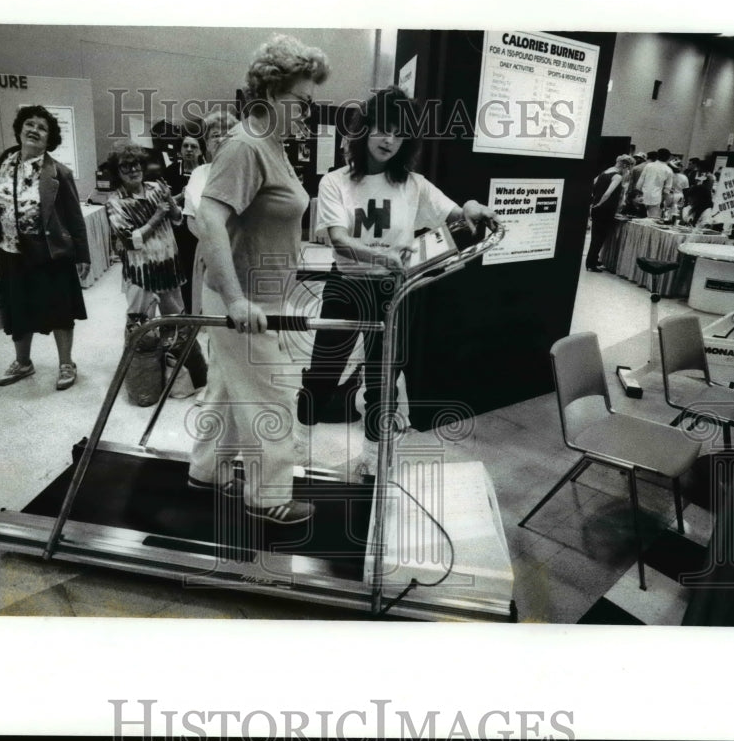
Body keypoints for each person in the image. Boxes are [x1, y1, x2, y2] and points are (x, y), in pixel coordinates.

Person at [300, 86, 500, 479]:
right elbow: (338, 240)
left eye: (397, 131)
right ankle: (292, 443)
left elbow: (456, 212)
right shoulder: (335, 182)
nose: (388, 139)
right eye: (380, 129)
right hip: (347, 287)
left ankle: (374, 461)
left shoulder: (414, 184)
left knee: (382, 381)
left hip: (394, 292)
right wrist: (384, 256)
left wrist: (473, 206)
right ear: (364, 131)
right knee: (323, 372)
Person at [188, 33, 329, 525]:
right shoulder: (246, 145)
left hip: (262, 294)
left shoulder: (273, 146)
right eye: (302, 103)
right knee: (275, 393)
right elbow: (210, 217)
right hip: (248, 302)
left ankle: (206, 471)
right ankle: (269, 497)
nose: (308, 115)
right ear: (270, 92)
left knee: (227, 388)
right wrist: (233, 299)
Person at [0, 105, 90, 391]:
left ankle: (66, 363)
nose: (34, 130)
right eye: (30, 124)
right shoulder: (0, 162)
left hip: (50, 253)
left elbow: (75, 218)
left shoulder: (58, 172)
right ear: (19, 129)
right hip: (10, 251)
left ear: (49, 139)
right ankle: (23, 362)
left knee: (60, 309)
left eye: (42, 127)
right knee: (18, 309)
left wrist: (82, 255)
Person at [104, 141, 207, 390]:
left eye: (136, 164)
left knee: (179, 325)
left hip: (170, 269)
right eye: (125, 166)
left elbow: (178, 220)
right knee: (141, 329)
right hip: (141, 275)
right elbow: (130, 240)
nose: (132, 170)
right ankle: (144, 386)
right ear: (117, 172)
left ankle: (185, 382)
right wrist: (158, 215)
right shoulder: (114, 202)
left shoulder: (155, 189)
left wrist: (172, 206)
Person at [183, 109, 239, 314]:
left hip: (239, 252)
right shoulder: (199, 173)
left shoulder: (245, 172)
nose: (221, 139)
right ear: (206, 143)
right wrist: (212, 242)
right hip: (206, 252)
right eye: (215, 135)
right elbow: (190, 218)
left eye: (228, 134)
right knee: (210, 314)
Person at [165, 133, 207, 314]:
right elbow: (163, 201)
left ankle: (205, 307)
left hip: (203, 227)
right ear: (180, 150)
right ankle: (187, 310)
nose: (189, 150)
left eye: (193, 147)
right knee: (185, 269)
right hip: (179, 229)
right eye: (185, 146)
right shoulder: (171, 171)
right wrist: (182, 196)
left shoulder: (207, 170)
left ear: (200, 150)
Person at [585, 154, 635, 272]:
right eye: (628, 167)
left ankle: (592, 259)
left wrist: (594, 201)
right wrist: (600, 203)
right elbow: (608, 193)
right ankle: (591, 263)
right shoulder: (617, 176)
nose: (628, 170)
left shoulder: (605, 172)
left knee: (595, 235)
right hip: (606, 208)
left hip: (597, 208)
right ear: (624, 165)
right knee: (600, 237)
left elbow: (593, 183)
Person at [636, 147, 674, 219]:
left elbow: (640, 182)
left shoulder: (649, 165)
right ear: (668, 158)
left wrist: (637, 195)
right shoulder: (668, 170)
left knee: (638, 218)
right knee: (652, 220)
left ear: (657, 156)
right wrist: (666, 202)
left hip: (643, 196)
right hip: (656, 198)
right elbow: (667, 190)